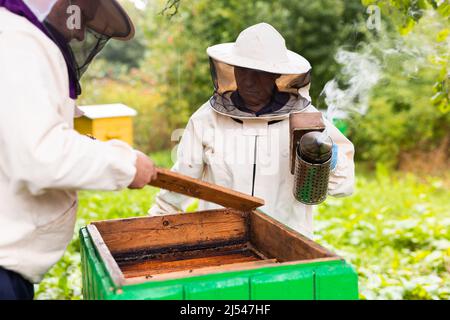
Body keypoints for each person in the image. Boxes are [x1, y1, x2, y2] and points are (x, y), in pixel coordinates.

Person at [0, 0, 157, 300]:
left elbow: (25, 140)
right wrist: (126, 163)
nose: (81, 34)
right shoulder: (17, 40)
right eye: (83, 17)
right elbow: (41, 155)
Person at [150, 23, 355, 238]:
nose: (248, 81)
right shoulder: (206, 119)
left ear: (275, 75)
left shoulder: (309, 121)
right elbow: (180, 185)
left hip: (288, 241)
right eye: (243, 70)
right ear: (232, 69)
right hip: (222, 239)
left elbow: (342, 185)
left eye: (258, 73)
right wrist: (153, 230)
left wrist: (325, 158)